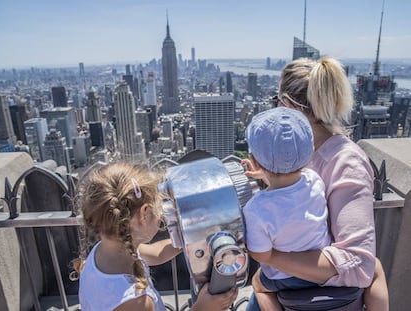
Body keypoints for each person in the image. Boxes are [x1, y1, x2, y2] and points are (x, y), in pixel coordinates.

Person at [243, 57, 389, 311]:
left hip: (305, 299)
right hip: (292, 289)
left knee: (259, 282)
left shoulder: (346, 162)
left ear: (287, 105)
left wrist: (274, 259)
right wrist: (268, 176)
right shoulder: (305, 159)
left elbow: (358, 265)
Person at [76, 162, 238, 311]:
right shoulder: (136, 302)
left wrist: (192, 235)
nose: (161, 215)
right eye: (159, 208)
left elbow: (156, 253)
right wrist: (203, 308)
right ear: (144, 214)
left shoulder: (106, 252)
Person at [243, 106, 332, 311]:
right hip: (318, 272)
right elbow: (289, 192)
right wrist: (267, 175)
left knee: (259, 288)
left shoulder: (256, 209)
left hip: (282, 279)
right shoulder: (315, 181)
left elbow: (261, 254)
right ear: (310, 152)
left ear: (255, 161)